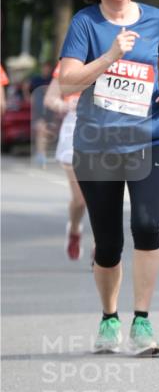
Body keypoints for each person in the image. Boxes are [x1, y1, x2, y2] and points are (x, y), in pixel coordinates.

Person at [58, 0, 159, 356]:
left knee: (146, 225)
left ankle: (142, 321)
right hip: (98, 145)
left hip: (151, 138)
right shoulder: (85, 24)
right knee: (108, 242)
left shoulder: (156, 19)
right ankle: (109, 318)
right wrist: (111, 55)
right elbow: (68, 82)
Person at [44, 64, 87, 261]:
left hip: (108, 129)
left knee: (106, 195)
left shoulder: (117, 56)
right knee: (81, 199)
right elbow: (50, 98)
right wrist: (66, 105)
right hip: (75, 129)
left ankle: (103, 245)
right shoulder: (70, 61)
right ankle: (75, 229)